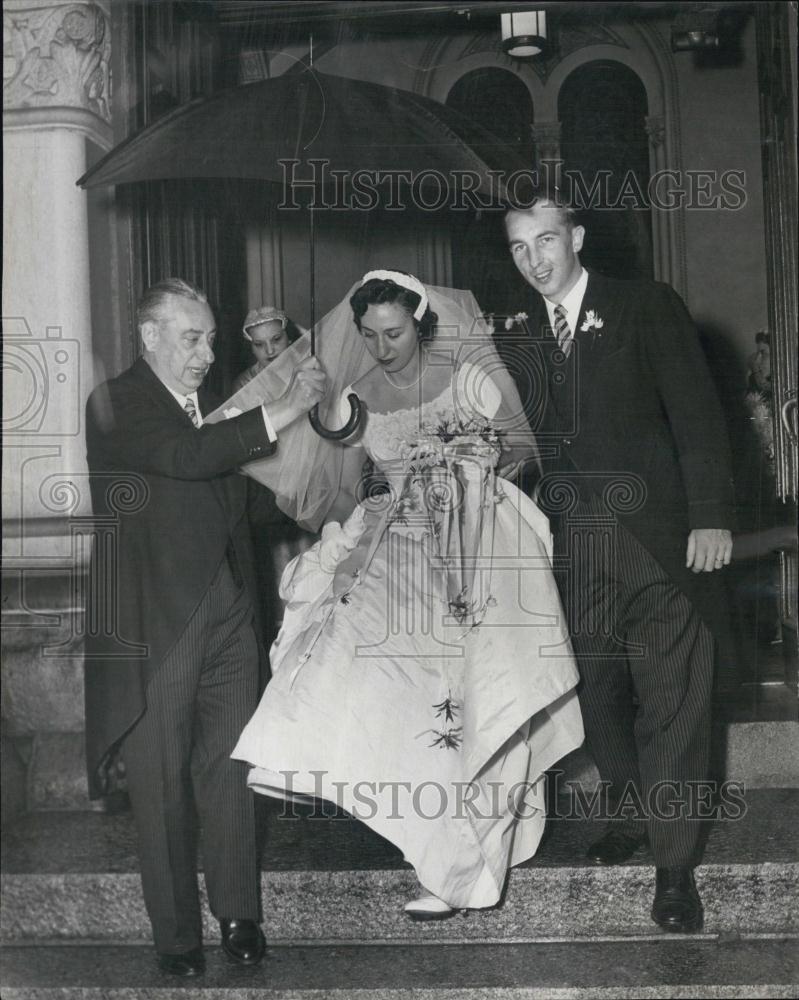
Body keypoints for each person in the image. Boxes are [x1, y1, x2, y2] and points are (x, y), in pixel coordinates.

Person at [232, 269, 584, 919]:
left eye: (392, 333)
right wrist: (311, 396)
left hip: (477, 541)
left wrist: (481, 458)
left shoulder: (470, 375)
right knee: (367, 671)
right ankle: (435, 848)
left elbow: (525, 456)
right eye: (366, 335)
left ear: (420, 324)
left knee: (470, 694)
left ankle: (470, 858)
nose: (379, 346)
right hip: (397, 539)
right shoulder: (359, 390)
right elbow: (356, 479)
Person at [501, 195, 735, 933]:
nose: (534, 258)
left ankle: (673, 871)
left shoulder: (642, 305)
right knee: (597, 695)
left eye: (545, 240)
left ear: (574, 238)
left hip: (659, 538)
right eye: (518, 247)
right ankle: (629, 811)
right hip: (575, 547)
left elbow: (696, 410)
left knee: (672, 702)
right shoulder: (515, 336)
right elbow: (530, 442)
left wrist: (710, 516)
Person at [84, 278, 326, 977]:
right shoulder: (116, 403)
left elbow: (239, 507)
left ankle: (238, 916)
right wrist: (283, 406)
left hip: (228, 611)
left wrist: (338, 504)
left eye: (211, 338)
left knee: (231, 773)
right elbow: (185, 459)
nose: (206, 352)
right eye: (191, 337)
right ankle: (175, 936)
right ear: (149, 335)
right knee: (159, 784)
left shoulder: (208, 413)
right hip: (158, 620)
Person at [233, 306, 303, 392]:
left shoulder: (309, 364)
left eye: (276, 339)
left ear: (289, 337)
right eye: (259, 344)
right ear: (251, 349)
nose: (270, 351)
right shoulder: (245, 383)